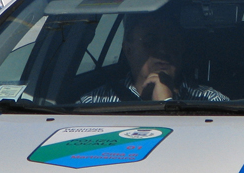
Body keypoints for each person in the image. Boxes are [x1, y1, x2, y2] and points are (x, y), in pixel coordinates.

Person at [78, 7, 227, 103]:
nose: (163, 49)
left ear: (182, 47)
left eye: (172, 40)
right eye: (150, 41)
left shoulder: (211, 101)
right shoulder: (94, 102)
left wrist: (166, 103)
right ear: (128, 49)